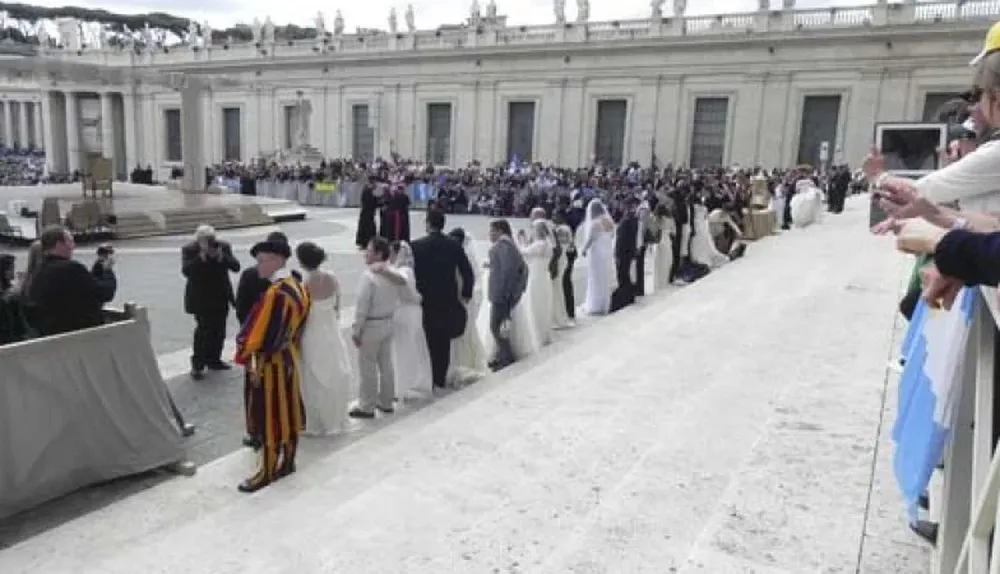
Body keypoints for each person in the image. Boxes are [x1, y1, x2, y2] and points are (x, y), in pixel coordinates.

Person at [233, 234, 310, 493]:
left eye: (263, 261)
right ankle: (287, 461)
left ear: (277, 260)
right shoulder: (297, 285)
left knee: (269, 415)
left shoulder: (276, 294)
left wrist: (250, 355)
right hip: (289, 358)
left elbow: (263, 337)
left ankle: (266, 471)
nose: (259, 267)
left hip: (271, 363)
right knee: (288, 410)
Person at [410, 209, 475, 389]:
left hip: (425, 299)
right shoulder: (453, 245)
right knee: (443, 340)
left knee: (427, 337)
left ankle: (427, 375)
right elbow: (467, 272)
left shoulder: (416, 246)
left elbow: (411, 273)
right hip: (447, 297)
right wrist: (466, 294)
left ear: (428, 223)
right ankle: (440, 377)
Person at [296, 241, 353, 436]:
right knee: (335, 370)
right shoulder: (331, 278)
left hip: (312, 332)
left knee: (312, 376)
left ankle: (316, 421)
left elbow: (301, 314)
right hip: (331, 329)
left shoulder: (304, 284)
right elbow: (337, 306)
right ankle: (336, 417)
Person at [373, 241, 433, 399]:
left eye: (392, 252)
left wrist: (382, 270)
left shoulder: (405, 270)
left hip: (408, 313)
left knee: (408, 348)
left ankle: (410, 384)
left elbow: (401, 280)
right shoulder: (397, 268)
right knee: (400, 350)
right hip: (401, 313)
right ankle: (400, 383)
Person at [182, 225, 240, 380]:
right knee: (203, 331)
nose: (209, 243)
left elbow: (236, 267)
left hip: (220, 296)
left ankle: (214, 359)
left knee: (219, 330)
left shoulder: (223, 247)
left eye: (211, 239)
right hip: (201, 298)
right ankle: (198, 365)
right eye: (205, 239)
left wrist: (222, 257)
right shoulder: (190, 250)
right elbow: (186, 271)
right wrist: (201, 258)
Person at [350, 237, 400, 418]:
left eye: (369, 250)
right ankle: (386, 401)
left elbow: (362, 306)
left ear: (378, 254)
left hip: (371, 324)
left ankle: (367, 405)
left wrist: (357, 330)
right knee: (386, 364)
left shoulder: (369, 276)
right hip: (388, 321)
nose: (365, 253)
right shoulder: (393, 272)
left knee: (368, 367)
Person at [29, 225, 109, 336]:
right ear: (59, 244)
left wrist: (98, 266)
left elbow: (84, 284)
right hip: (82, 335)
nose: (73, 246)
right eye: (70, 242)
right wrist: (108, 271)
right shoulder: (72, 268)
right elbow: (104, 292)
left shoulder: (39, 271)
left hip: (53, 334)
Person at [482, 219, 528, 370]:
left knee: (496, 326)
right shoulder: (510, 246)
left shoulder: (503, 246)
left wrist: (505, 292)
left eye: (492, 230)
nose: (490, 234)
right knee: (501, 325)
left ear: (500, 231)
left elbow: (507, 271)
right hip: (506, 293)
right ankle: (502, 355)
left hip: (501, 294)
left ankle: (506, 357)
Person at [446, 227, 488, 385]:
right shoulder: (464, 255)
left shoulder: (461, 256)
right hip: (464, 298)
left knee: (463, 330)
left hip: (460, 298)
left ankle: (461, 362)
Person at [519, 219, 554, 346]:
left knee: (534, 303)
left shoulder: (538, 244)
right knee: (543, 304)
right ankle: (543, 332)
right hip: (544, 276)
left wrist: (521, 240)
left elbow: (524, 252)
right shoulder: (548, 244)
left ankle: (535, 331)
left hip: (535, 276)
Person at [579, 198, 615, 315]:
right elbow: (612, 235)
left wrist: (584, 249)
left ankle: (595, 304)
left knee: (595, 277)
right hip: (607, 250)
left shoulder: (595, 223)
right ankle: (605, 302)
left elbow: (591, 238)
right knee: (604, 276)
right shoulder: (609, 221)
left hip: (597, 252)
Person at [652, 203, 675, 291]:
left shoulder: (657, 219)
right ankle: (665, 281)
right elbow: (674, 232)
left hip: (659, 241)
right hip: (667, 240)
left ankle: (658, 283)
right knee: (667, 261)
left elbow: (654, 230)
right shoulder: (670, 219)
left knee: (659, 263)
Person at [356, 184, 378, 249]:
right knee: (368, 229)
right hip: (368, 213)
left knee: (364, 228)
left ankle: (363, 242)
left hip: (365, 213)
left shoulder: (365, 192)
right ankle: (366, 242)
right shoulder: (369, 193)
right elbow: (372, 203)